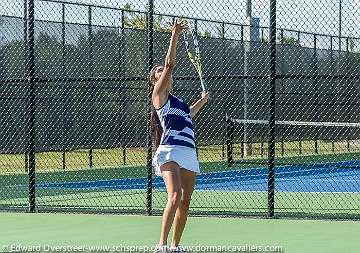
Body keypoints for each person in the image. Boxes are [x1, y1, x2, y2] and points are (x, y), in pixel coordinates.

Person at [149, 19, 209, 253]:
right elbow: (170, 63)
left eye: (162, 70)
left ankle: (175, 247)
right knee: (174, 197)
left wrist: (202, 100)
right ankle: (161, 246)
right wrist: (174, 35)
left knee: (185, 201)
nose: (163, 72)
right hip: (170, 151)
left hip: (188, 152)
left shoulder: (179, 104)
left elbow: (190, 113)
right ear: (156, 80)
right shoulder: (159, 96)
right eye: (159, 72)